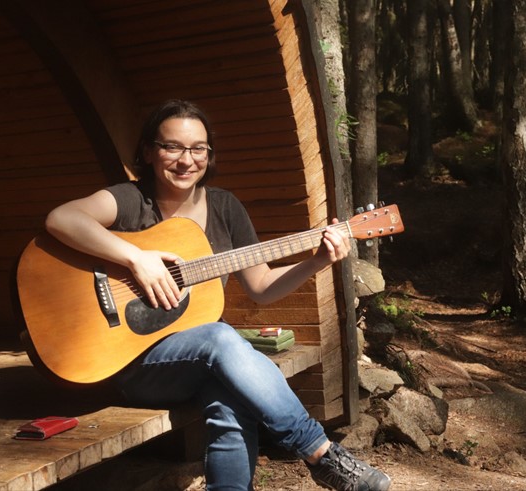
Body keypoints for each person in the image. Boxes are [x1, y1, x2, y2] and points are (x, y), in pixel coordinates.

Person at [45, 99, 391, 491]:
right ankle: (319, 452)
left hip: (194, 363)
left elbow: (261, 287)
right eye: (171, 146)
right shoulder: (129, 199)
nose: (185, 159)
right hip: (129, 364)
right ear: (147, 151)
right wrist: (135, 257)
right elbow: (61, 219)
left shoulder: (226, 207)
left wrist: (316, 262)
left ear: (209, 155)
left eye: (198, 149)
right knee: (220, 337)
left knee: (230, 397)